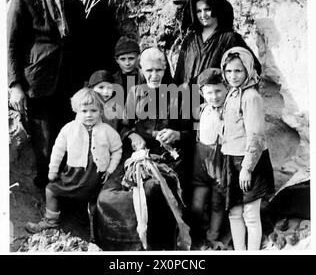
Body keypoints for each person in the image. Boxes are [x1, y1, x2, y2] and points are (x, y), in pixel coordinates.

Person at [95, 47, 193, 250]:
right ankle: (120, 246)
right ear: (141, 70)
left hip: (168, 159)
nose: (154, 75)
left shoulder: (181, 94)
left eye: (158, 70)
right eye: (149, 71)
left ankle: (156, 246)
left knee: (151, 190)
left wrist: (177, 135)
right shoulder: (134, 92)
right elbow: (123, 125)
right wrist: (133, 134)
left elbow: (193, 133)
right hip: (138, 157)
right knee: (108, 194)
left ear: (165, 68)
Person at [7, 0, 87, 188]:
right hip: (38, 86)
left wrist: (86, 81)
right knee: (45, 147)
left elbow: (84, 46)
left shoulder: (75, 6)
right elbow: (10, 47)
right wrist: (15, 86)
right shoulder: (22, 3)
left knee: (71, 143)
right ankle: (49, 201)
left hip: (70, 87)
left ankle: (68, 197)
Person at [25, 88, 122, 238]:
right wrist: (53, 170)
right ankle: (52, 221)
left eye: (94, 110)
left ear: (101, 110)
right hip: (73, 174)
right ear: (76, 110)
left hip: (95, 177)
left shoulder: (107, 130)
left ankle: (92, 230)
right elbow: (58, 150)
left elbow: (117, 150)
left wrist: (110, 169)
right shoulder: (69, 129)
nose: (89, 115)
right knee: (51, 189)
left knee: (94, 201)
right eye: (84, 111)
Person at [220, 46, 275, 250]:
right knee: (234, 213)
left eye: (238, 71)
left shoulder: (251, 96)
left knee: (250, 214)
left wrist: (247, 168)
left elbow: (256, 136)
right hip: (231, 159)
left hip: (249, 161)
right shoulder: (232, 94)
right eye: (228, 71)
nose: (233, 76)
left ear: (248, 70)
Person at [174, 0, 261, 86]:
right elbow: (179, 73)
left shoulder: (230, 38)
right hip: (188, 99)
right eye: (199, 11)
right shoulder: (190, 39)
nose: (203, 15)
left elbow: (253, 67)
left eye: (207, 9)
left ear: (216, 9)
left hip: (215, 98)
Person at [190, 68, 227, 250]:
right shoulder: (202, 109)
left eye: (218, 90)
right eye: (209, 92)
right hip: (201, 164)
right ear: (202, 93)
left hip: (220, 163)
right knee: (197, 205)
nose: (214, 96)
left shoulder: (230, 111)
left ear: (226, 88)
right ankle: (201, 235)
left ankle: (213, 236)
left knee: (217, 203)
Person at [113, 36, 141, 102]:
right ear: (117, 60)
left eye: (131, 58)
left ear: (138, 58)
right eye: (123, 59)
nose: (127, 63)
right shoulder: (111, 81)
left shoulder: (146, 79)